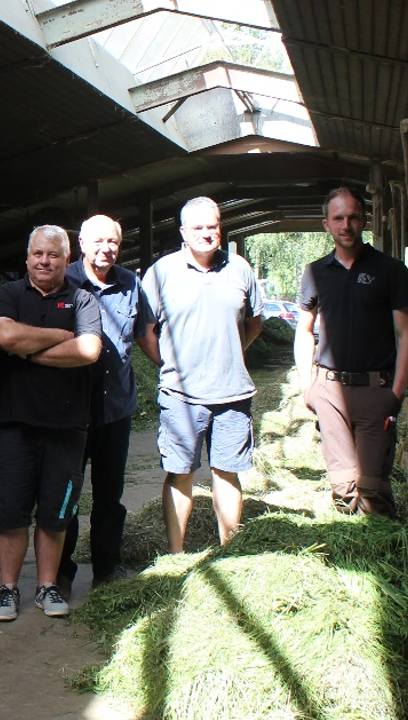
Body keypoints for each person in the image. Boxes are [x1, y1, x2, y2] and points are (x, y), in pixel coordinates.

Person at [0, 225, 102, 621]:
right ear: (27, 258)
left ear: (66, 260)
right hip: (14, 423)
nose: (44, 261)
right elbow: (5, 336)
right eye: (38, 254)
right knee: (11, 510)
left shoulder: (83, 299)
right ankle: (7, 589)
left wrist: (31, 352)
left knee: (57, 511)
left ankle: (47, 586)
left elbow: (88, 349)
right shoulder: (8, 294)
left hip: (67, 425)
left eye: (53, 255)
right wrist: (59, 336)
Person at [141, 197, 262, 553]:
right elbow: (146, 330)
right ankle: (177, 554)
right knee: (180, 474)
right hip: (181, 395)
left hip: (233, 393)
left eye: (213, 226)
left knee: (227, 472)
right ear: (183, 232)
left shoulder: (239, 268)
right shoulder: (161, 272)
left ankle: (229, 549)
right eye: (198, 228)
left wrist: (232, 353)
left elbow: (254, 321)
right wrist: (168, 365)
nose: (207, 234)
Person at [295, 187, 408, 518]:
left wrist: (396, 392)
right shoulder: (315, 272)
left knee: (374, 489)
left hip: (376, 391)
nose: (346, 225)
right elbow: (304, 331)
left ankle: (381, 559)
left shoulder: (390, 270)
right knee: (343, 487)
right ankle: (349, 561)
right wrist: (309, 388)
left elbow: (407, 334)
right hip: (330, 392)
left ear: (363, 221)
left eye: (352, 217)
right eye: (338, 218)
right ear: (326, 224)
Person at [58, 215, 158, 591]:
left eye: (113, 242)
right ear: (81, 242)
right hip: (71, 410)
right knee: (66, 495)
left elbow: (147, 335)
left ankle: (106, 570)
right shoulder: (63, 281)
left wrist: (173, 367)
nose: (106, 249)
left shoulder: (131, 283)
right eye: (98, 241)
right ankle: (61, 575)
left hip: (116, 408)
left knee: (109, 496)